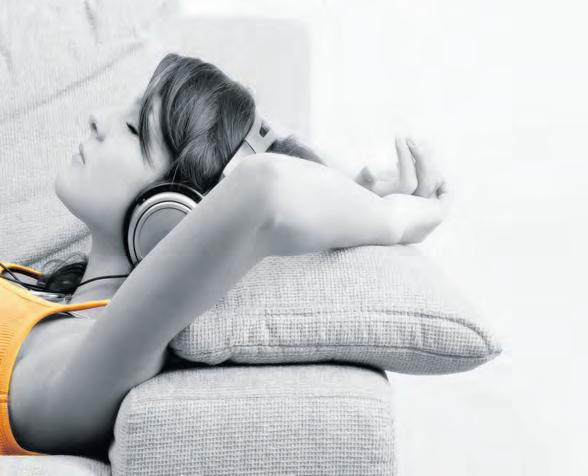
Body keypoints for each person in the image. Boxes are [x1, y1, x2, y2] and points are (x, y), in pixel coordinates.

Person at [0, 53, 450, 460]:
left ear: (172, 212)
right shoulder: (45, 295)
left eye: (135, 130)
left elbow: (263, 189)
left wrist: (394, 218)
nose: (98, 119)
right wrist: (354, 189)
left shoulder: (98, 355)